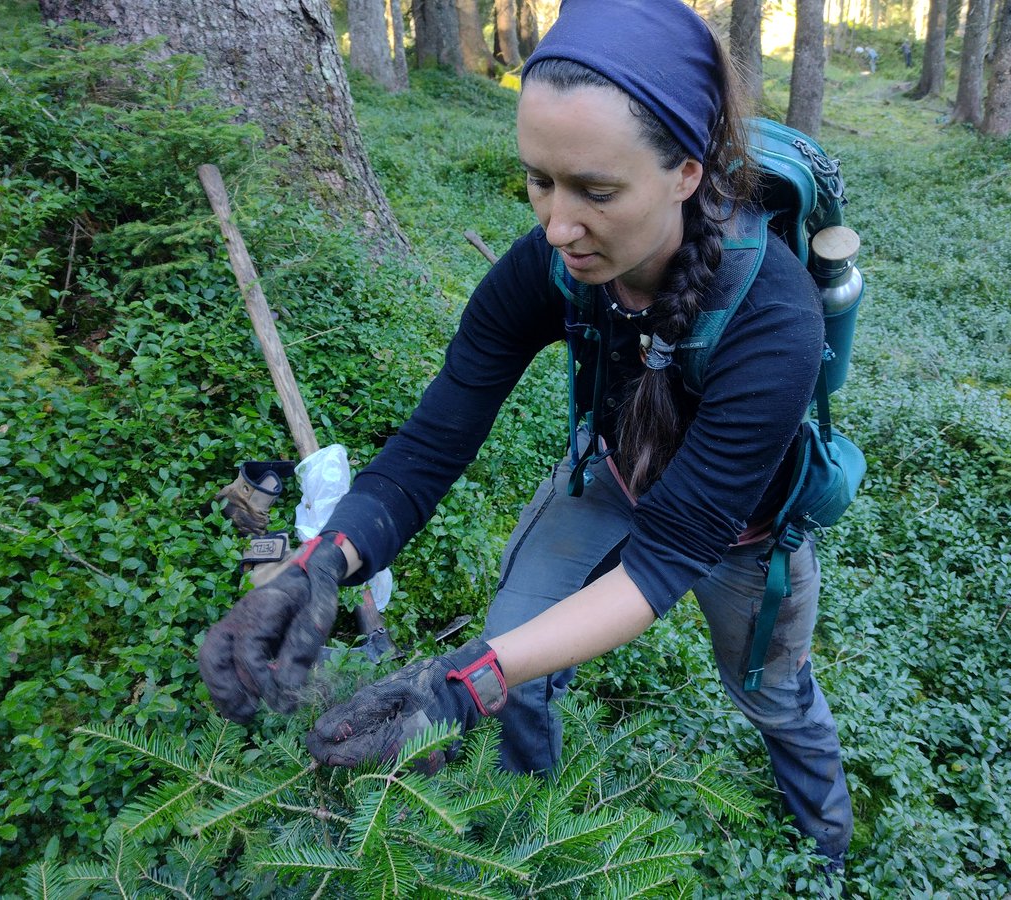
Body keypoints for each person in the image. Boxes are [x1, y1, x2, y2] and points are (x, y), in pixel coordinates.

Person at [199, 0, 853, 874]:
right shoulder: (547, 266)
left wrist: (461, 682)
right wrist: (320, 562)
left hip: (740, 534)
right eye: (539, 180)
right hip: (613, 476)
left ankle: (828, 851)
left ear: (687, 173)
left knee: (774, 698)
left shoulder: (776, 318)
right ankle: (531, 823)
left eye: (596, 190)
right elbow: (432, 444)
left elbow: (664, 563)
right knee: (517, 646)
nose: (557, 225)